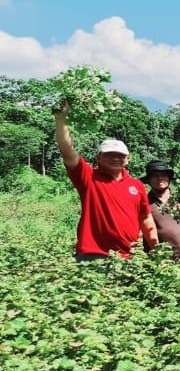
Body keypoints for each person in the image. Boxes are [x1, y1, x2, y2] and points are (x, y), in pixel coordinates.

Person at [52, 103, 158, 260]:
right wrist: (62, 120)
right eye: (109, 155)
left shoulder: (137, 185)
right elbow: (67, 150)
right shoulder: (88, 177)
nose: (115, 158)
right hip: (94, 255)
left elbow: (146, 218)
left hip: (129, 258)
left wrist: (157, 251)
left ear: (128, 159)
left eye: (120, 155)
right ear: (99, 158)